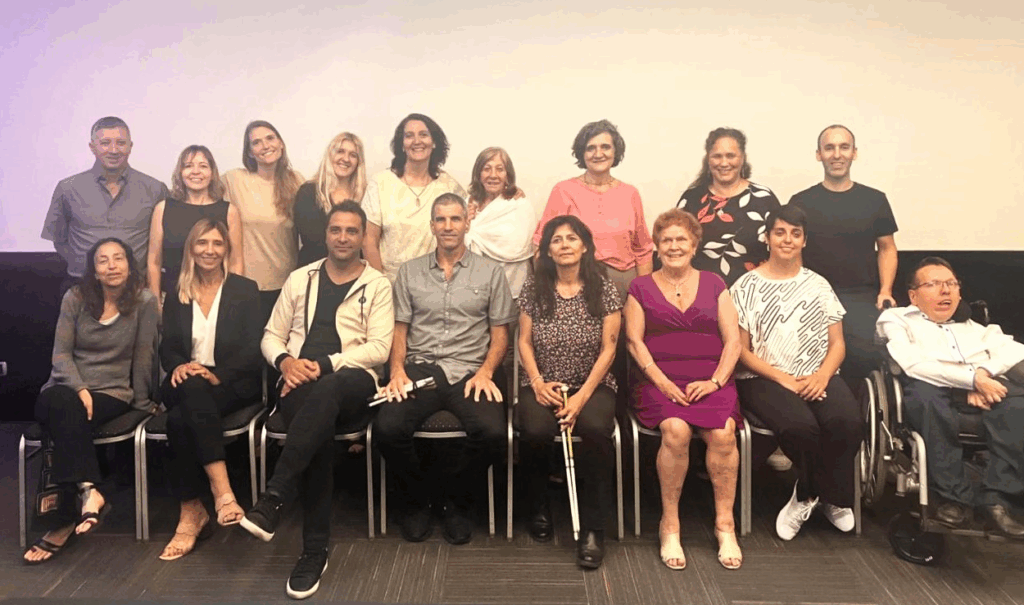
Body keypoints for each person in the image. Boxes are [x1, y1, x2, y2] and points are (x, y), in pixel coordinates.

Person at [240, 202, 393, 598]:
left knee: (325, 392)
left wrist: (323, 364)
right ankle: (314, 550)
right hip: (298, 382)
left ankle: (274, 499)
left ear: (363, 237)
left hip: (354, 382)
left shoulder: (377, 284)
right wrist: (287, 362)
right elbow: (270, 335)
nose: (343, 238)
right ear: (325, 235)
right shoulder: (299, 278)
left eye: (352, 231)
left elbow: (379, 348)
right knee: (317, 424)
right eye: (336, 230)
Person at [375, 193, 515, 545]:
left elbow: (500, 336)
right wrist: (396, 371)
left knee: (494, 433)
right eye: (441, 219)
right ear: (432, 225)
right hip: (419, 370)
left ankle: (453, 499)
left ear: (467, 223)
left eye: (455, 219)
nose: (448, 226)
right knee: (388, 428)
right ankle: (419, 498)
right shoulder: (410, 272)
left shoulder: (491, 272)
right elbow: (400, 329)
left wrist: (485, 372)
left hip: (470, 372)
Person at [730, 205, 862, 541]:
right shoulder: (745, 287)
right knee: (799, 427)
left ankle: (822, 495)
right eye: (780, 232)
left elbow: (838, 344)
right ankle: (812, 496)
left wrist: (821, 376)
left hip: (819, 374)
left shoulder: (818, 285)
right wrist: (783, 379)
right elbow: (741, 352)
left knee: (845, 422)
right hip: (763, 379)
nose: (787, 239)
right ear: (768, 238)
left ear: (804, 240)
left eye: (795, 233)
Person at [23, 238, 158, 564]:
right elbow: (60, 355)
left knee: (64, 421)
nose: (112, 265)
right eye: (103, 261)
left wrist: (142, 403)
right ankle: (88, 491)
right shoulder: (76, 298)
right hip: (64, 388)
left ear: (129, 264)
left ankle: (62, 521)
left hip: (112, 393)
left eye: (118, 258)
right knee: (63, 405)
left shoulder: (144, 301)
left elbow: (143, 356)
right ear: (94, 271)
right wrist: (80, 388)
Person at [624, 209, 743, 571]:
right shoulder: (639, 287)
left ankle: (725, 525)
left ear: (694, 245)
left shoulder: (715, 284)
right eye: (666, 240)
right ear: (657, 247)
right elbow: (633, 341)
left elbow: (733, 342)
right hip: (657, 379)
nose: (674, 246)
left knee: (723, 434)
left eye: (681, 240)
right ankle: (670, 524)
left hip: (710, 378)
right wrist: (661, 381)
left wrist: (717, 381)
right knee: (675, 430)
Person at [877, 257, 1024, 539]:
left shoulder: (977, 327)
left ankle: (998, 501)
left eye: (951, 284)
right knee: (926, 400)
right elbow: (913, 365)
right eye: (933, 284)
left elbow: (1015, 351)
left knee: (1016, 403)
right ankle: (953, 499)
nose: (945, 291)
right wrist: (969, 382)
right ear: (913, 295)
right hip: (930, 388)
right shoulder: (897, 319)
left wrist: (983, 374)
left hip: (982, 388)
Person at [517, 215, 620, 569]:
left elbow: (609, 349)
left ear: (585, 246)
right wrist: (536, 382)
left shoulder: (603, 287)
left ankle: (593, 529)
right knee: (534, 430)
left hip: (592, 384)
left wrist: (581, 397)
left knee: (593, 430)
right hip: (543, 381)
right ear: (547, 250)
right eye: (556, 240)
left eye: (571, 238)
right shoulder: (534, 286)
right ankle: (538, 506)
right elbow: (524, 342)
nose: (564, 245)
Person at [157, 219, 262, 561]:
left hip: (230, 384)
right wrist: (179, 366)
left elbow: (253, 346)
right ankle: (223, 492)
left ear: (226, 249)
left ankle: (191, 512)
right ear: (191, 248)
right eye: (202, 243)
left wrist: (219, 375)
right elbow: (168, 347)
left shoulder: (245, 289)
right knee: (191, 386)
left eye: (217, 243)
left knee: (177, 422)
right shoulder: (177, 292)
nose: (209, 250)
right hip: (184, 379)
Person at [790, 125, 898, 380]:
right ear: (819, 154)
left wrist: (886, 291)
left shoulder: (875, 200)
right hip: (813, 297)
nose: (836, 154)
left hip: (860, 298)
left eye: (843, 147)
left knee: (863, 360)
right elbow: (793, 252)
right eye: (829, 148)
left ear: (854, 153)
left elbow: (887, 248)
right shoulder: (801, 202)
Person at [41, 117, 168, 296]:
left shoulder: (155, 189)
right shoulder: (68, 188)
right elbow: (59, 240)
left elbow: (163, 243)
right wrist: (83, 265)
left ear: (131, 146)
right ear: (92, 147)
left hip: (136, 289)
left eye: (121, 143)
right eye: (105, 143)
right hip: (82, 288)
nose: (114, 150)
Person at [533, 119, 653, 300]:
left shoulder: (630, 194)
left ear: (615, 151)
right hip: (575, 285)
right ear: (582, 153)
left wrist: (643, 297)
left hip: (622, 285)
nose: (598, 154)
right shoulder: (564, 191)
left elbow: (643, 250)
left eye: (605, 147)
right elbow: (542, 246)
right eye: (590, 148)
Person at [363, 113, 467, 282]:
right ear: (402, 145)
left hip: (437, 287)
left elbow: (474, 211)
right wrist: (380, 285)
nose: (417, 141)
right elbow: (368, 239)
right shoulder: (381, 182)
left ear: (434, 143)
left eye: (424, 135)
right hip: (390, 285)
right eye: (409, 136)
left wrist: (510, 191)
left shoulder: (448, 185)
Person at [675, 126, 781, 287]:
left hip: (755, 296)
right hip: (699, 295)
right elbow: (675, 250)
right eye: (717, 156)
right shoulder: (691, 200)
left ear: (743, 158)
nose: (724, 163)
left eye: (730, 156)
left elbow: (782, 251)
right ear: (708, 159)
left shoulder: (764, 199)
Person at [222, 120, 304, 325]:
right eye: (256, 143)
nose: (265, 146)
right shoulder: (233, 180)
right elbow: (199, 195)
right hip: (246, 285)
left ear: (281, 143)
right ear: (249, 152)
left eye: (270, 138)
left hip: (287, 285)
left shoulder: (296, 181)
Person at [147, 145, 243, 306]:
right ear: (180, 172)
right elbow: (154, 262)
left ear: (212, 174)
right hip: (171, 298)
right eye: (188, 166)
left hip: (215, 300)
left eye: (203, 166)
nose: (196, 172)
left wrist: (231, 301)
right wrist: (155, 301)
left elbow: (236, 262)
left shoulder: (229, 211)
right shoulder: (163, 209)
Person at [464, 147, 536, 298]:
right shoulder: (468, 203)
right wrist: (465, 224)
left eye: (500, 169)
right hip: (474, 290)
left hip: (512, 290)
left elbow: (519, 246)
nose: (493, 175)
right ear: (478, 174)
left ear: (507, 175)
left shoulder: (519, 204)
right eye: (486, 169)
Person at [294, 132, 368, 267]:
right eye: (340, 151)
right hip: (313, 272)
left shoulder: (366, 195)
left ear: (358, 162)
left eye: (353, 155)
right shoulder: (308, 193)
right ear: (330, 155)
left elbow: (367, 242)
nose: (346, 159)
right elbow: (313, 242)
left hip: (355, 273)